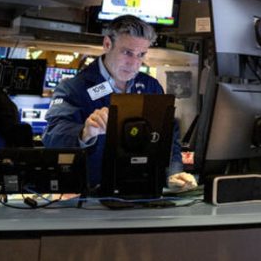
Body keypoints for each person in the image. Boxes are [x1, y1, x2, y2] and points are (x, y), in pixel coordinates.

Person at [43, 15, 196, 192]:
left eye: (141, 55)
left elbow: (168, 136)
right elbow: (52, 136)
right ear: (107, 44)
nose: (134, 63)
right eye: (127, 53)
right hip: (92, 192)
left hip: (142, 189)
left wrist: (173, 172)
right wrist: (85, 132)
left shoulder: (150, 86)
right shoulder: (74, 88)